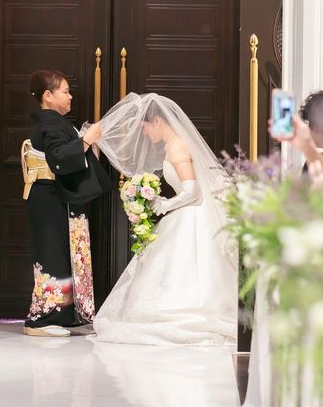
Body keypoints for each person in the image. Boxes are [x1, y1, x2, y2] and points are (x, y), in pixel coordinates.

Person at [92, 93, 238, 347]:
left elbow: (192, 190)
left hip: (193, 214)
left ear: (157, 121)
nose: (145, 133)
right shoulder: (174, 144)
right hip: (189, 213)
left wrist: (164, 205)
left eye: (145, 127)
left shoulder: (177, 145)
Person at [22, 70, 112, 337]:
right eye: (65, 91)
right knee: (53, 254)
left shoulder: (56, 123)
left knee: (66, 255)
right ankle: (40, 320)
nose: (70, 96)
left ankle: (64, 316)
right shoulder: (50, 125)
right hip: (49, 198)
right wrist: (86, 140)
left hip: (57, 196)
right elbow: (59, 157)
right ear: (48, 96)